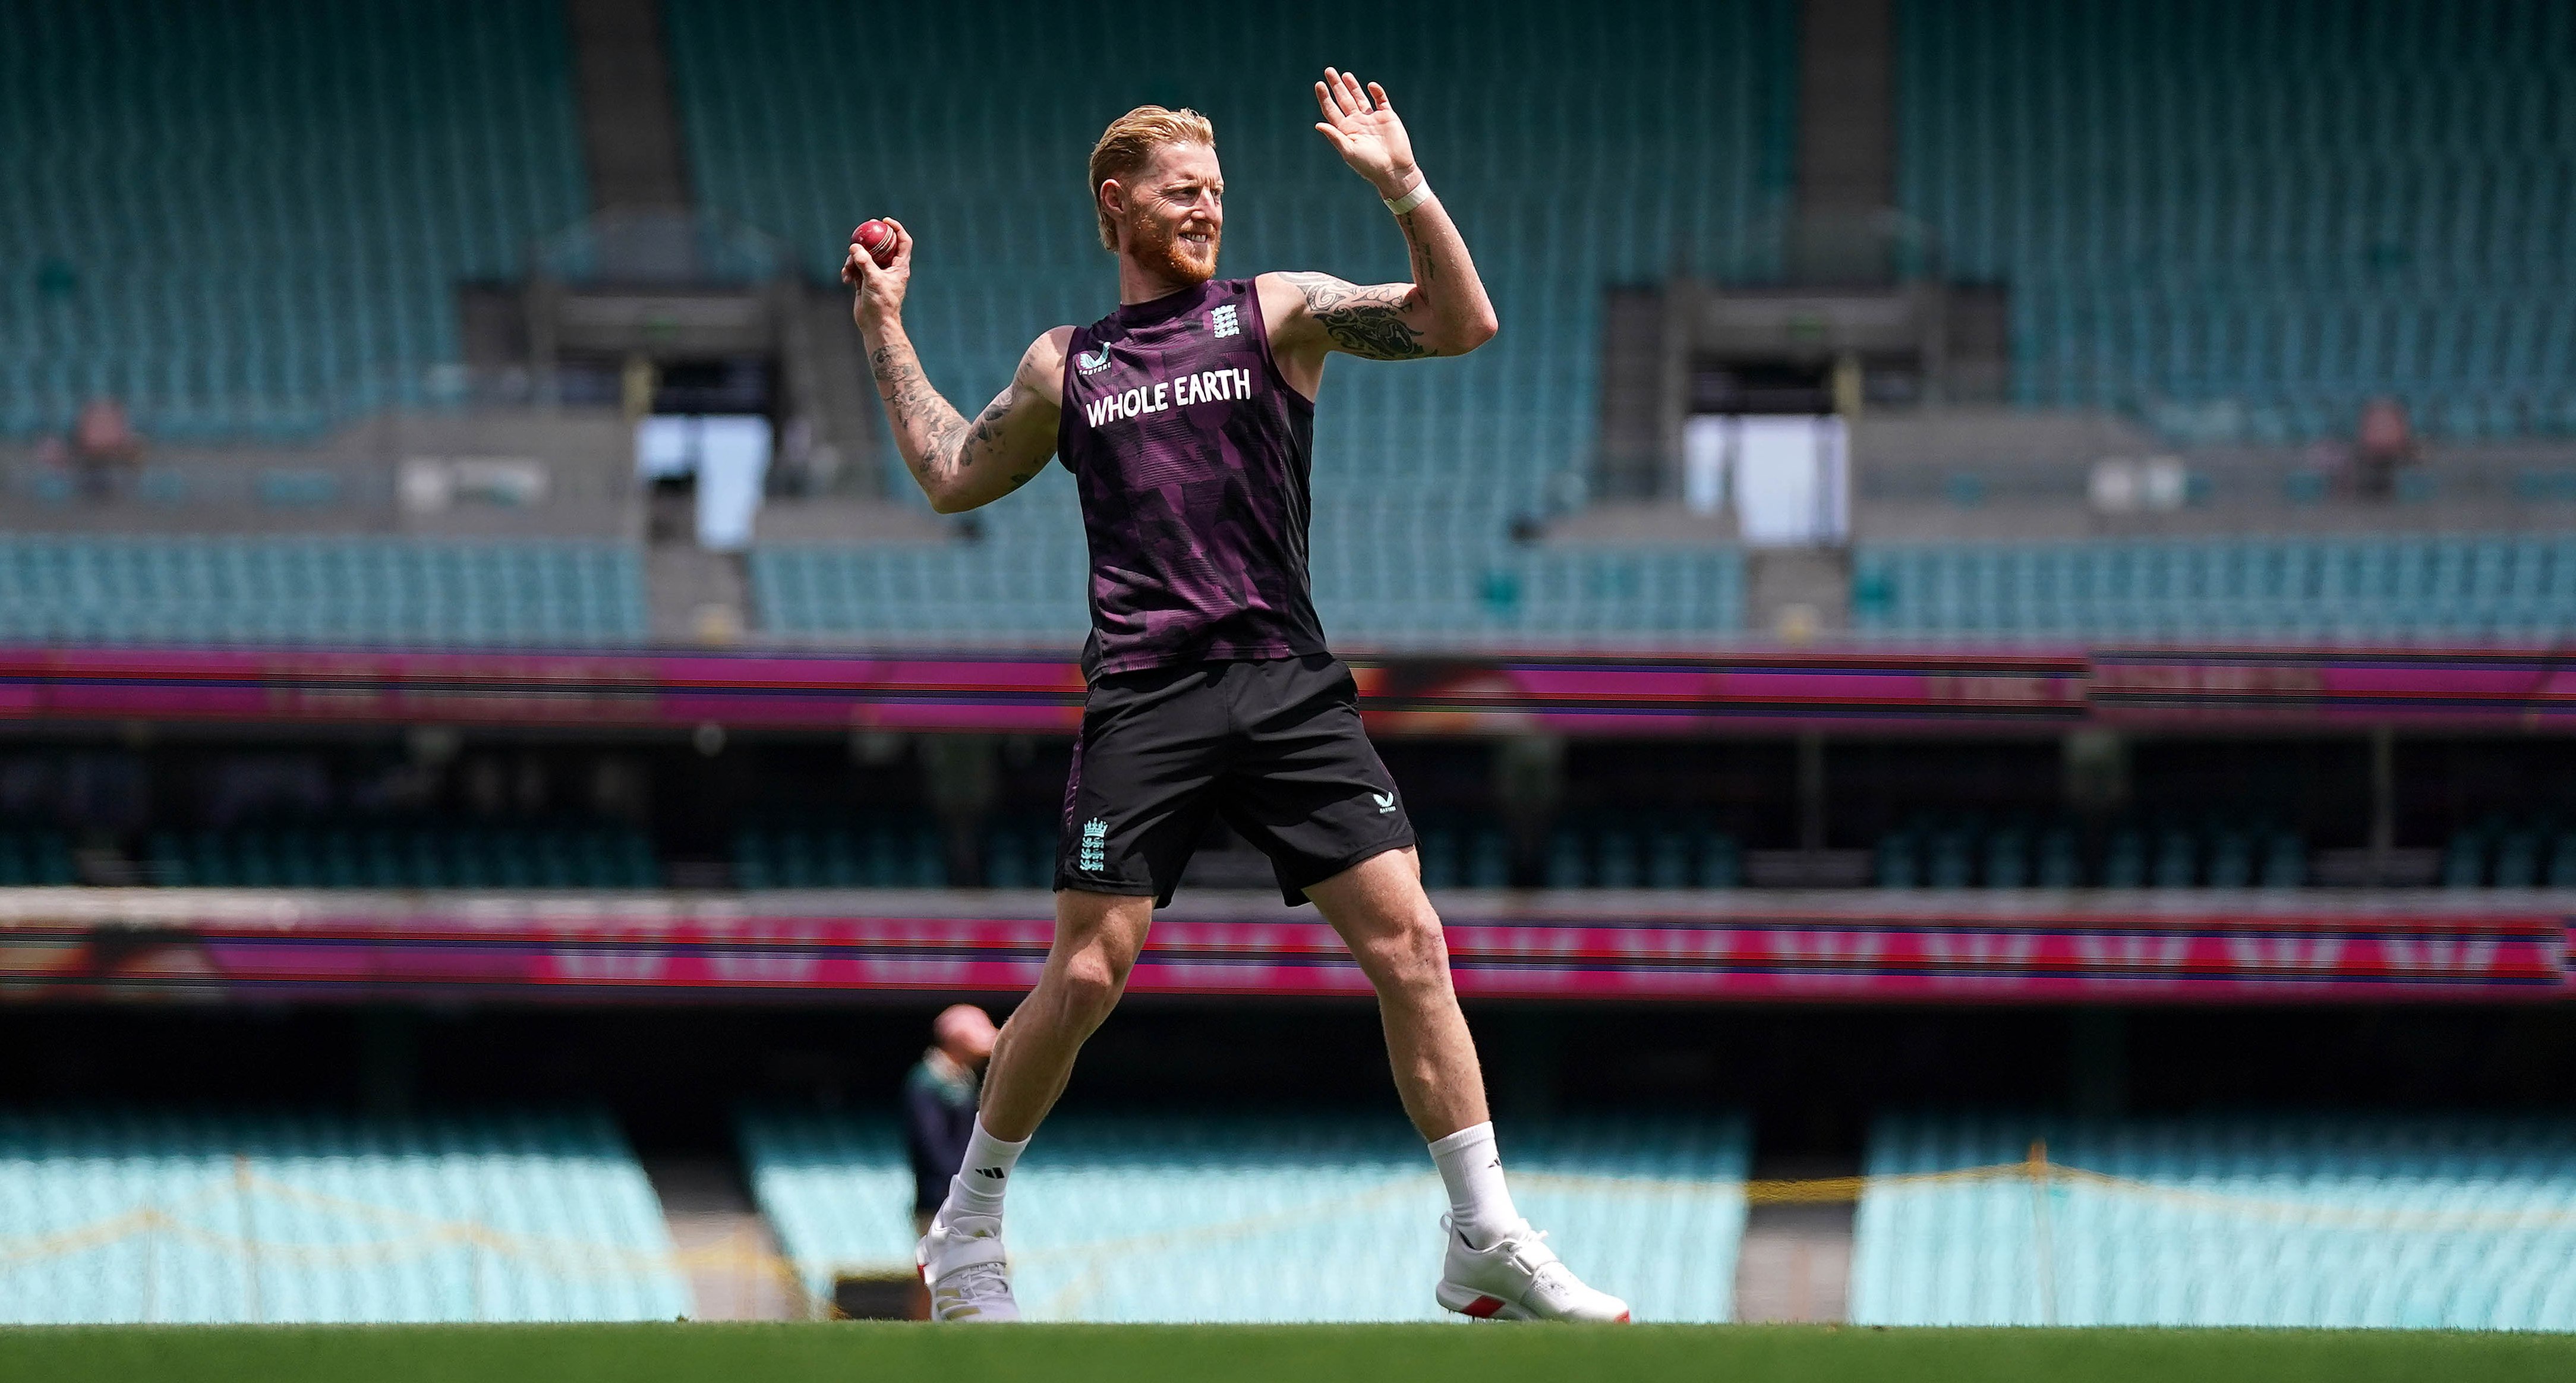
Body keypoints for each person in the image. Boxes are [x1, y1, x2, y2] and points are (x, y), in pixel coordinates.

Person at [843, 71, 1628, 1324]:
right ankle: (969, 1231)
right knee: (1090, 971)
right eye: (1180, 192)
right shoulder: (1070, 362)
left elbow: (1460, 320)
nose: (1206, 210)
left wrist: (1403, 188)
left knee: (1411, 939)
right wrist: (885, 322)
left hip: (1285, 684)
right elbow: (947, 471)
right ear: (1117, 204)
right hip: (1145, 694)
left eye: (1215, 191)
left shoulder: (1278, 313)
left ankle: (1483, 1232)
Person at [904, 1004, 1000, 1237]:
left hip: (967, 1200)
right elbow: (932, 1147)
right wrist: (969, 1184)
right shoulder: (927, 1083)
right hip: (940, 1205)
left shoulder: (963, 1081)